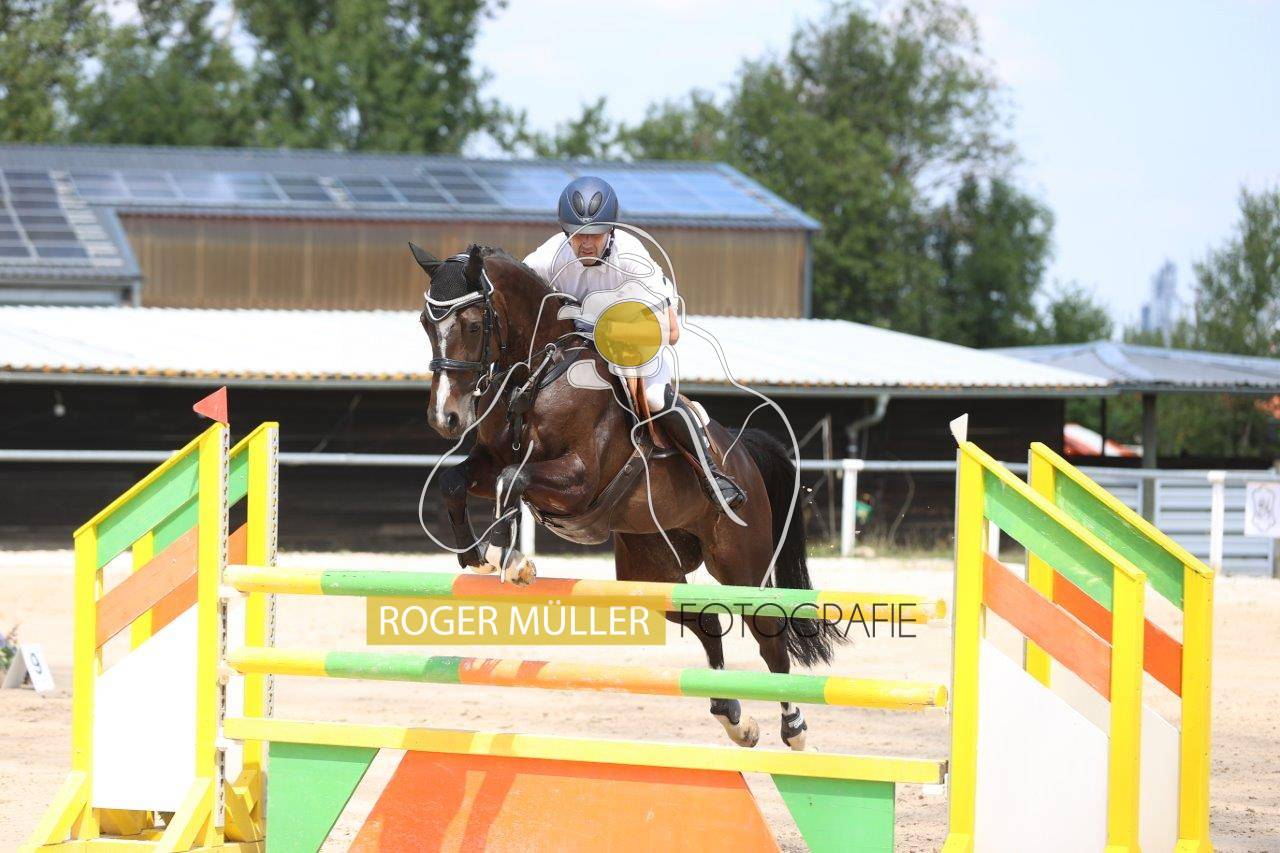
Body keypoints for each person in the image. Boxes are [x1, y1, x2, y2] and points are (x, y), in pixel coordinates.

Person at [523, 176, 746, 511]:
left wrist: (609, 334)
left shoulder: (630, 257)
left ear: (610, 231)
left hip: (634, 340)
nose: (586, 244)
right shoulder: (549, 257)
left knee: (654, 397)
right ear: (566, 232)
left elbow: (671, 332)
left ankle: (712, 474)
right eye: (578, 235)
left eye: (595, 234)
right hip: (577, 347)